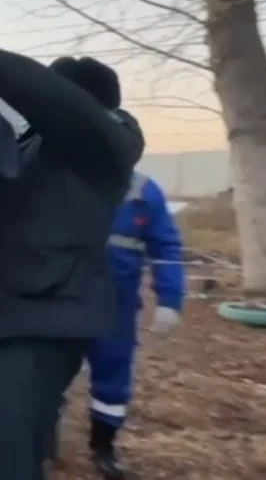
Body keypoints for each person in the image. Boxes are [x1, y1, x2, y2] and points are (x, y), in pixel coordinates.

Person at [0, 18, 145, 480]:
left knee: (12, 460)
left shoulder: (103, 148)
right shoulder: (31, 145)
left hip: (42, 325)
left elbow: (55, 102)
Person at [49, 171, 185, 479]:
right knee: (48, 371)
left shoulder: (143, 191)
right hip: (60, 298)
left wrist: (170, 299)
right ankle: (42, 439)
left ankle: (103, 447)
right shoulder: (62, 176)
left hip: (115, 306)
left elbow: (166, 248)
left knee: (113, 374)